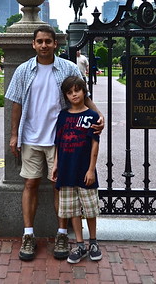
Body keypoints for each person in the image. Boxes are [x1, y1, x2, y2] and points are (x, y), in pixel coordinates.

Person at [5, 25, 104, 262]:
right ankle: (28, 234)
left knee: (60, 186)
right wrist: (14, 134)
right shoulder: (23, 70)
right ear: (33, 44)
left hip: (60, 140)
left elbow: (84, 96)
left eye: (48, 41)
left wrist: (99, 116)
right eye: (39, 41)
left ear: (55, 44)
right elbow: (16, 103)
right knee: (30, 184)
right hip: (31, 137)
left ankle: (61, 233)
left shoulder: (68, 68)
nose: (44, 45)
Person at [51, 76, 102, 264]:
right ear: (66, 95)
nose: (74, 95)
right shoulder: (63, 116)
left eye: (77, 91)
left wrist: (91, 170)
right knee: (73, 210)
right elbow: (58, 143)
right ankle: (80, 244)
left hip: (84, 171)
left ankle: (93, 242)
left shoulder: (92, 116)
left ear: (84, 91)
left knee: (90, 210)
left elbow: (95, 145)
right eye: (70, 92)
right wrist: (56, 165)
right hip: (66, 170)